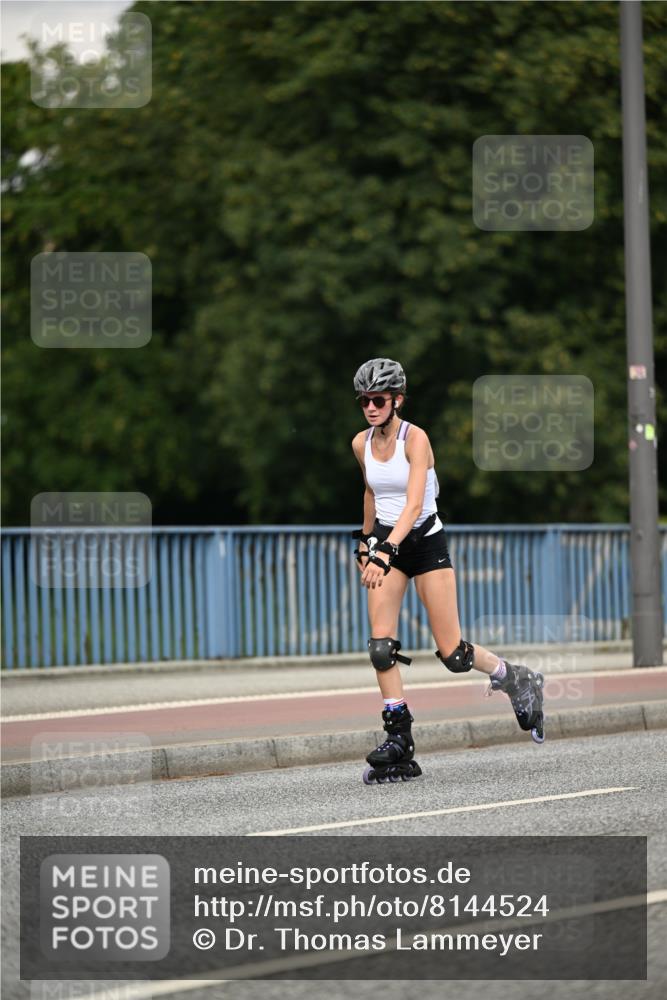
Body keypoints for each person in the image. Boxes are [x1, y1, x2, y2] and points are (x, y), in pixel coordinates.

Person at [351, 357, 544, 785]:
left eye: (378, 399)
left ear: (397, 400)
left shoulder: (415, 439)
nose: (370, 406)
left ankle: (517, 679)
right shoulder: (360, 443)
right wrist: (366, 543)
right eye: (364, 400)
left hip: (423, 543)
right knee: (380, 648)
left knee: (453, 654)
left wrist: (385, 550)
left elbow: (415, 505)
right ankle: (399, 741)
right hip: (387, 542)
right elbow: (370, 491)